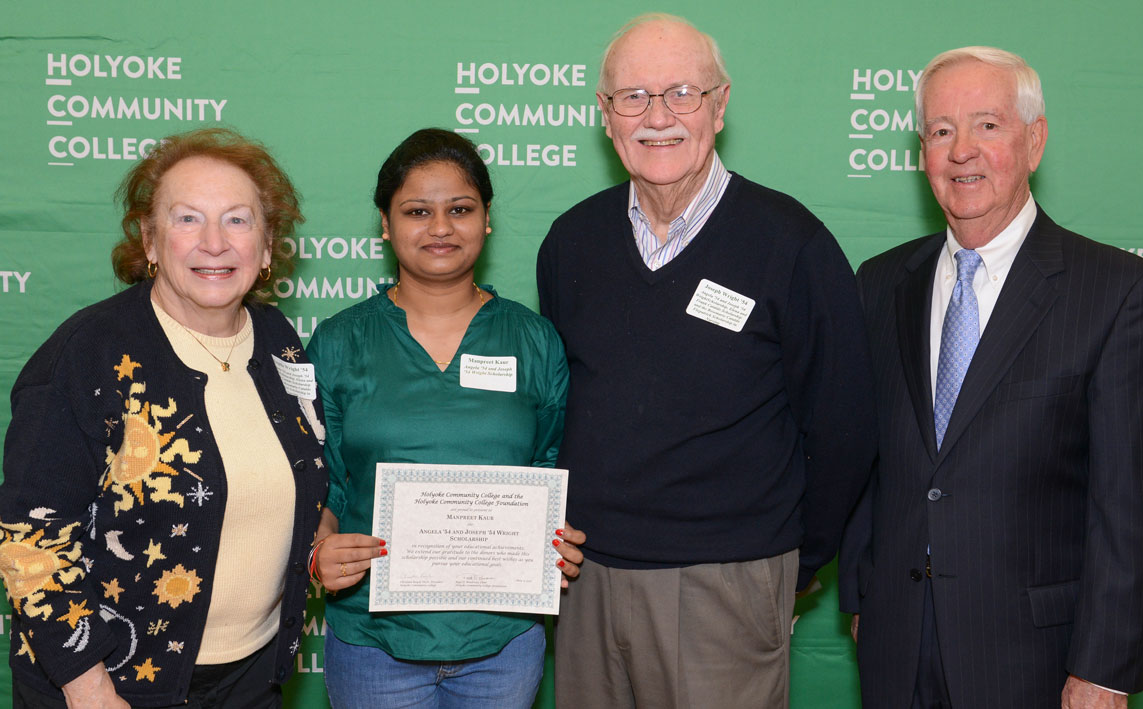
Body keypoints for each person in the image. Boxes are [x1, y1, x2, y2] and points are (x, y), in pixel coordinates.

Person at [536, 13, 876, 709]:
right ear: (604, 115)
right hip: (584, 582)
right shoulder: (572, 242)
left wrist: (791, 562)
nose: (656, 117)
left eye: (681, 93)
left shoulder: (791, 244)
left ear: (719, 106)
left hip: (728, 580)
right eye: (632, 96)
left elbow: (843, 425)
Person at [839, 47, 1143, 709]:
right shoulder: (879, 284)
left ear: (1033, 139)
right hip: (894, 646)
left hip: (1038, 661)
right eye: (940, 131)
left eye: (986, 126)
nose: (960, 150)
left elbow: (1129, 506)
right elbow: (869, 458)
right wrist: (862, 594)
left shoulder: (1117, 291)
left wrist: (1103, 670)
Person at [0, 127, 328, 708]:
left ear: (268, 242)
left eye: (237, 219)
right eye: (187, 219)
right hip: (113, 684)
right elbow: (32, 535)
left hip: (252, 677)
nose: (214, 243)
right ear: (150, 241)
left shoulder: (278, 341)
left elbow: (279, 484)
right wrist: (88, 687)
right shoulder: (89, 352)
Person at [306, 128, 584, 709]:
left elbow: (550, 463)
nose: (439, 228)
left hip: (502, 641)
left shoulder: (534, 339)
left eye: (460, 209)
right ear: (385, 223)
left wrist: (556, 540)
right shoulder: (339, 341)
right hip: (372, 639)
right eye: (416, 211)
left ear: (486, 220)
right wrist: (317, 551)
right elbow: (321, 479)